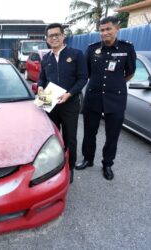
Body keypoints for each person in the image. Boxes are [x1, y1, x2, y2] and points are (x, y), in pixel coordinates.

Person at [76, 16, 136, 180]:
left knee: (112, 134)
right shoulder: (92, 49)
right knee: (89, 132)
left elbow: (130, 72)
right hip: (93, 97)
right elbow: (86, 72)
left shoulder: (127, 48)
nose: (105, 33)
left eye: (108, 29)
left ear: (117, 29)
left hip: (115, 99)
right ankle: (88, 159)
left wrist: (115, 84)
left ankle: (107, 164)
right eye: (102, 30)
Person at [38, 23, 88, 184]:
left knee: (69, 138)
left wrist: (69, 93)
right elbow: (42, 79)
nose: (54, 38)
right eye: (50, 36)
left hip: (69, 103)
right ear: (46, 39)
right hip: (50, 102)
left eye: (56, 35)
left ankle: (70, 167)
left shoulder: (76, 54)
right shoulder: (46, 58)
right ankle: (52, 168)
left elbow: (82, 78)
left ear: (63, 36)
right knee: (51, 138)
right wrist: (39, 88)